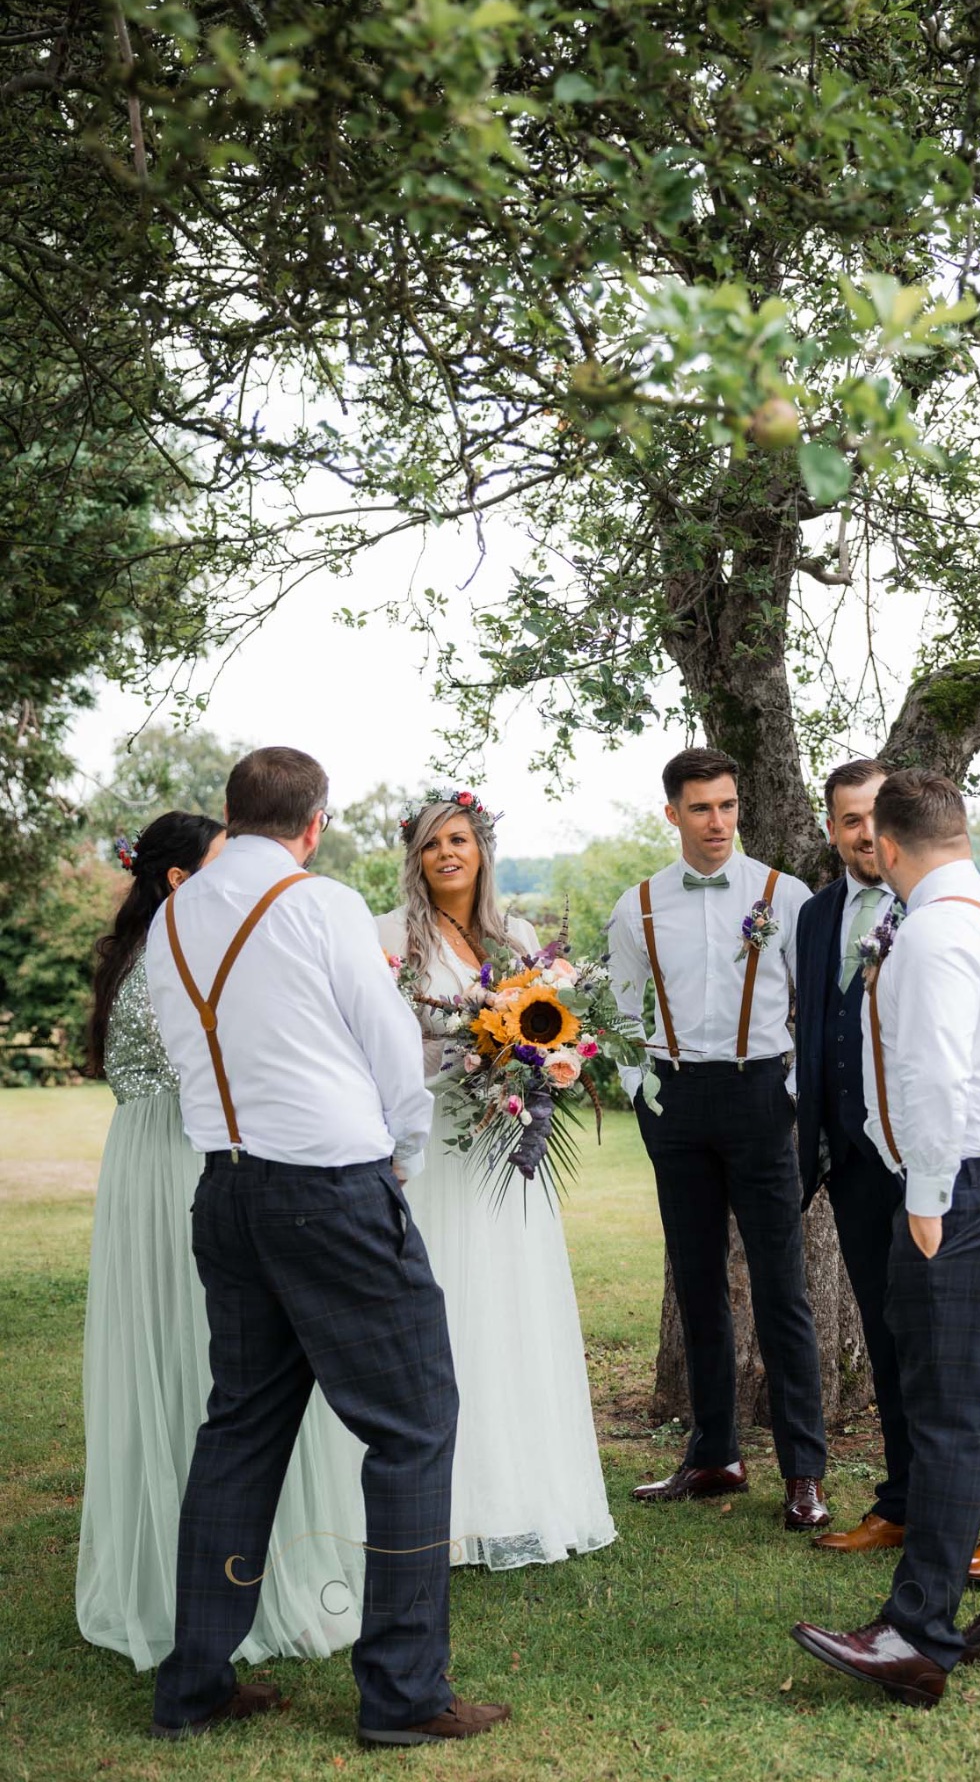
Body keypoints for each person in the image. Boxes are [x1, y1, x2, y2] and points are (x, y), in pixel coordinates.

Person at [144, 748, 510, 1749]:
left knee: (241, 1431)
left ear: (234, 815)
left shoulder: (173, 914)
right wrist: (404, 1150)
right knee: (415, 1424)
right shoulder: (321, 905)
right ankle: (403, 1693)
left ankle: (196, 1684)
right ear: (314, 824)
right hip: (328, 1193)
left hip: (225, 1189)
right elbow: (391, 1045)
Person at [791, 770, 980, 1709]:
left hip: (974, 1192)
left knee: (952, 1411)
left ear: (895, 842)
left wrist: (927, 1197)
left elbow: (937, 1077)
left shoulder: (937, 929)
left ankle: (916, 1633)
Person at [76, 810, 365, 1672]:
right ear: (178, 880)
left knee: (181, 1359)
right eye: (217, 863)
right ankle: (238, 1583)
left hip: (142, 1160)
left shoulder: (141, 954)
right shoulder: (186, 951)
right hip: (189, 1159)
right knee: (230, 1366)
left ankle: (185, 1571)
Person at [374, 788, 616, 1571]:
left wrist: (538, 1062)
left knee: (509, 1309)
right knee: (440, 1310)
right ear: (415, 859)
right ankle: (440, 1504)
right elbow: (380, 1041)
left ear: (481, 851)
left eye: (461, 840)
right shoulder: (390, 938)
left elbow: (546, 1020)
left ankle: (513, 1495)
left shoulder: (515, 936)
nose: (448, 853)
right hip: (434, 1143)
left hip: (507, 1145)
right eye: (433, 843)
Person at [607, 747, 828, 1529]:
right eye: (701, 808)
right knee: (698, 1284)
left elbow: (814, 1008)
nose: (717, 822)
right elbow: (623, 1016)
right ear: (672, 813)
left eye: (728, 806)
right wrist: (643, 1096)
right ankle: (714, 1455)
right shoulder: (636, 906)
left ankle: (804, 1472)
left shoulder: (785, 895)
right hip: (676, 1104)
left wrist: (790, 1091)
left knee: (780, 1290)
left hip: (760, 1095)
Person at [794, 759, 980, 1577]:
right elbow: (814, 1031)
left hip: (934, 1159)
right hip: (852, 1161)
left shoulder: (946, 906)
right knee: (885, 1338)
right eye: (849, 820)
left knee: (948, 1344)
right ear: (836, 830)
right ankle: (904, 1501)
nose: (864, 834)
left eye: (875, 816)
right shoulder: (814, 918)